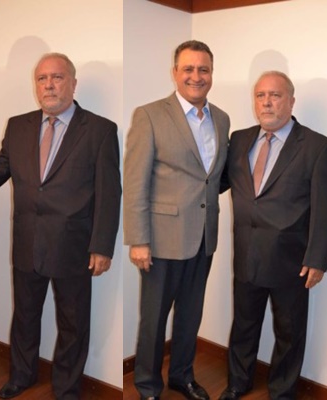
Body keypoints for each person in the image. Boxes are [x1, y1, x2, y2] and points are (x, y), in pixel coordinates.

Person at [0, 53, 121, 400]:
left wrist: (102, 246)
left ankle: (67, 388)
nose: (49, 85)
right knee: (25, 315)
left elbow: (110, 193)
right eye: (42, 78)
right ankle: (21, 376)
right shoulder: (18, 126)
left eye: (57, 77)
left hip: (74, 245)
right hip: (28, 240)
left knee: (73, 323)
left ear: (73, 83)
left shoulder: (100, 130)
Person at [219, 71, 327, 400]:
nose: (267, 102)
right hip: (247, 254)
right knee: (243, 325)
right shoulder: (239, 140)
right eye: (260, 95)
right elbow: (219, 182)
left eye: (275, 95)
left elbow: (326, 208)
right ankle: (237, 383)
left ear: (291, 101)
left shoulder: (316, 146)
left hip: (292, 261)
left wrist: (317, 259)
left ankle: (283, 392)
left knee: (289, 332)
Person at [124, 40, 230, 400]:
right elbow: (135, 182)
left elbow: (212, 178)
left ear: (211, 74)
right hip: (161, 239)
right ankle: (147, 386)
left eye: (203, 69)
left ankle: (182, 376)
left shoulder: (222, 118)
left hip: (204, 236)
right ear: (175, 73)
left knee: (190, 315)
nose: (196, 76)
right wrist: (139, 239)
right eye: (188, 69)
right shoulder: (150, 115)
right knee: (153, 320)